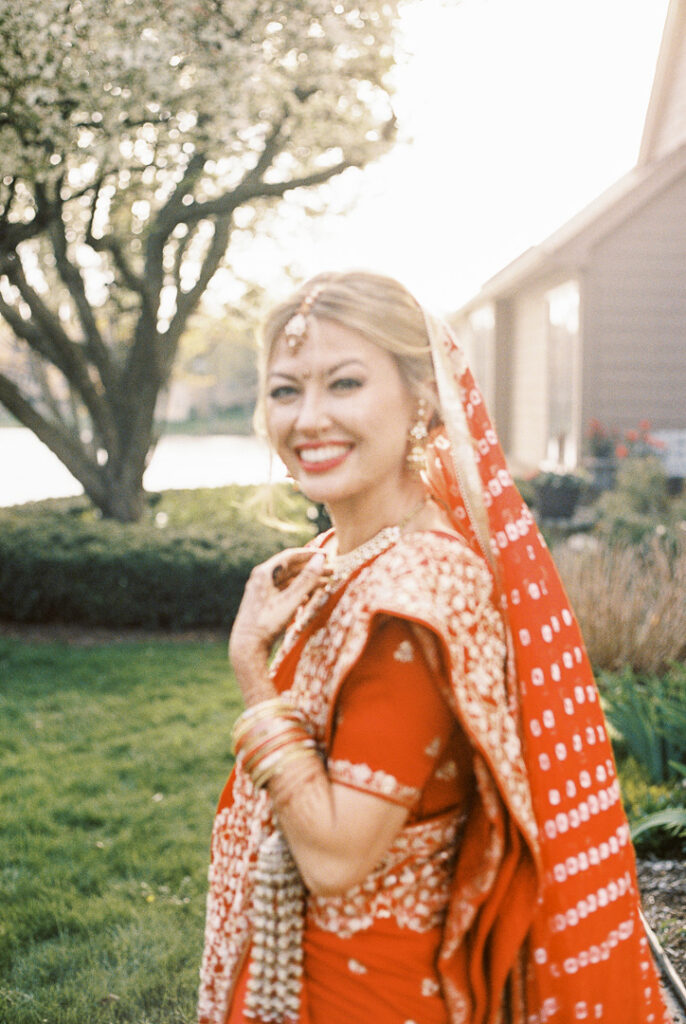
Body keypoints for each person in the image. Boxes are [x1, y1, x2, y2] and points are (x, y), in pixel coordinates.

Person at [198, 271, 672, 1024]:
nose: (309, 418)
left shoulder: (416, 592)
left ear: (422, 397)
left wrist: (253, 674)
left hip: (362, 993)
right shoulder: (352, 555)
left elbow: (335, 858)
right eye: (286, 390)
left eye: (344, 383)